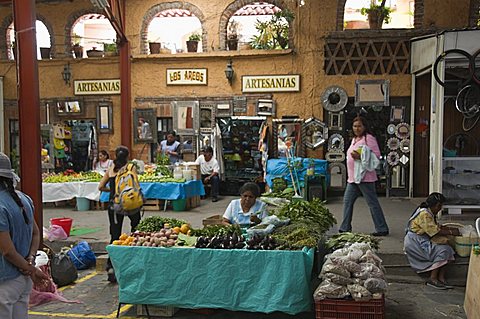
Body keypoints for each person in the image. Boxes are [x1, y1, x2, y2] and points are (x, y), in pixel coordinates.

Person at [0, 152, 48, 319]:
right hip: (23, 280)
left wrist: (30, 268)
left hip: (5, 281)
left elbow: (8, 251)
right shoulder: (24, 199)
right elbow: (36, 234)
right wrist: (30, 260)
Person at [339, 115, 389, 236]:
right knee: (347, 202)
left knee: (372, 203)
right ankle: (345, 228)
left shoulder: (369, 139)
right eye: (355, 126)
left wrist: (360, 157)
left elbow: (376, 156)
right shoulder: (354, 139)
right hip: (353, 178)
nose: (357, 128)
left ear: (364, 127)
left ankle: (382, 228)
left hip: (365, 178)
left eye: (359, 126)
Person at [98, 146, 141, 282]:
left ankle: (111, 267)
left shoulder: (111, 169)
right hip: (131, 204)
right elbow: (136, 184)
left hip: (115, 206)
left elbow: (100, 187)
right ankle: (135, 264)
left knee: (115, 236)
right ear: (128, 156)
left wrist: (112, 191)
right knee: (136, 233)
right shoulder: (131, 167)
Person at [404, 192, 460, 290]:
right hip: (416, 243)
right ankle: (433, 278)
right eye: (439, 206)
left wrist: (449, 229)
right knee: (444, 250)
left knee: (449, 249)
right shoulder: (424, 214)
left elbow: (435, 226)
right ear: (435, 205)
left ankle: (441, 278)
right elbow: (434, 231)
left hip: (421, 239)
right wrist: (451, 231)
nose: (440, 209)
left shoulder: (428, 212)